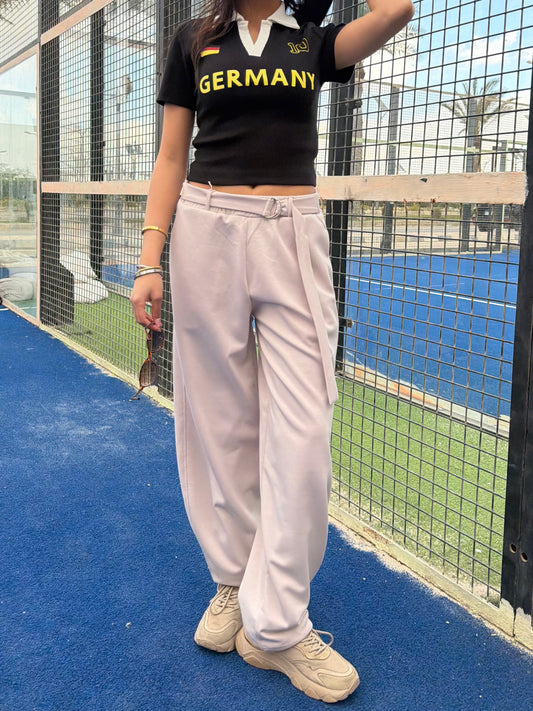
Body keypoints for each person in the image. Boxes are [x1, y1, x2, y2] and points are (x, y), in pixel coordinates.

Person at [130, 0, 414, 702]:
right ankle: (234, 579)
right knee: (217, 419)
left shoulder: (312, 40)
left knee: (304, 425)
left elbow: (398, 10)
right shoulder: (192, 39)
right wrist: (148, 259)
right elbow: (172, 154)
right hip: (206, 225)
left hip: (293, 229)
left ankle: (277, 625)